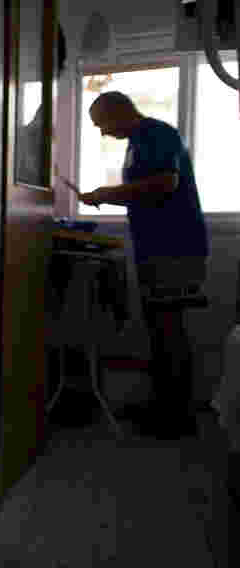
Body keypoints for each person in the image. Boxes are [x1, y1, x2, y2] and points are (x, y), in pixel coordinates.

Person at [80, 91, 209, 439]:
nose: (103, 133)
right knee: (158, 328)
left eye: (102, 123)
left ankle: (176, 418)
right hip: (156, 248)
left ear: (119, 110)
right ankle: (163, 406)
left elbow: (166, 183)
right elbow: (144, 189)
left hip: (175, 247)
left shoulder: (156, 133)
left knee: (168, 329)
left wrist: (106, 194)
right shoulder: (138, 141)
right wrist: (107, 195)